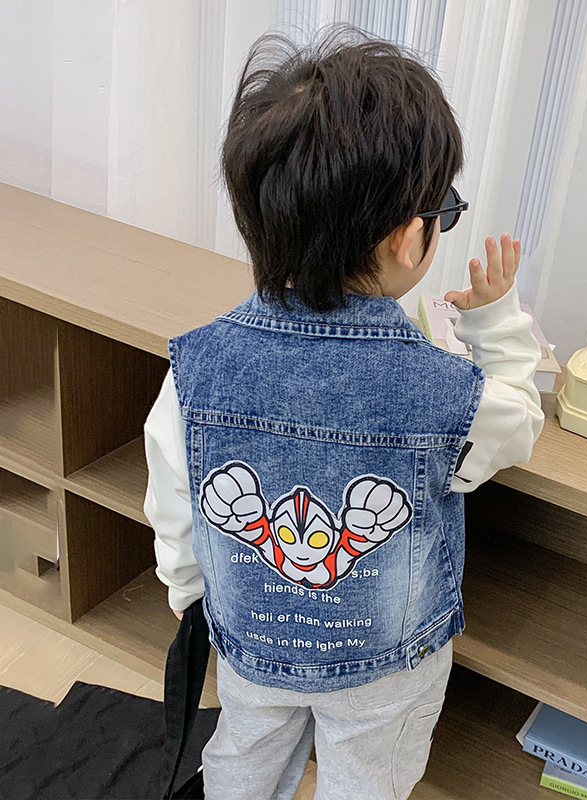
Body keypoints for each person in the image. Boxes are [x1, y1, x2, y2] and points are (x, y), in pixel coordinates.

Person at [144, 26, 545, 800]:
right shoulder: (445, 394)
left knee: (242, 756)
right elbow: (519, 425)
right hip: (383, 666)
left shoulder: (193, 367)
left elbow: (175, 496)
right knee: (367, 778)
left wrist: (194, 595)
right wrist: (496, 321)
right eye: (442, 211)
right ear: (406, 239)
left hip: (251, 638)